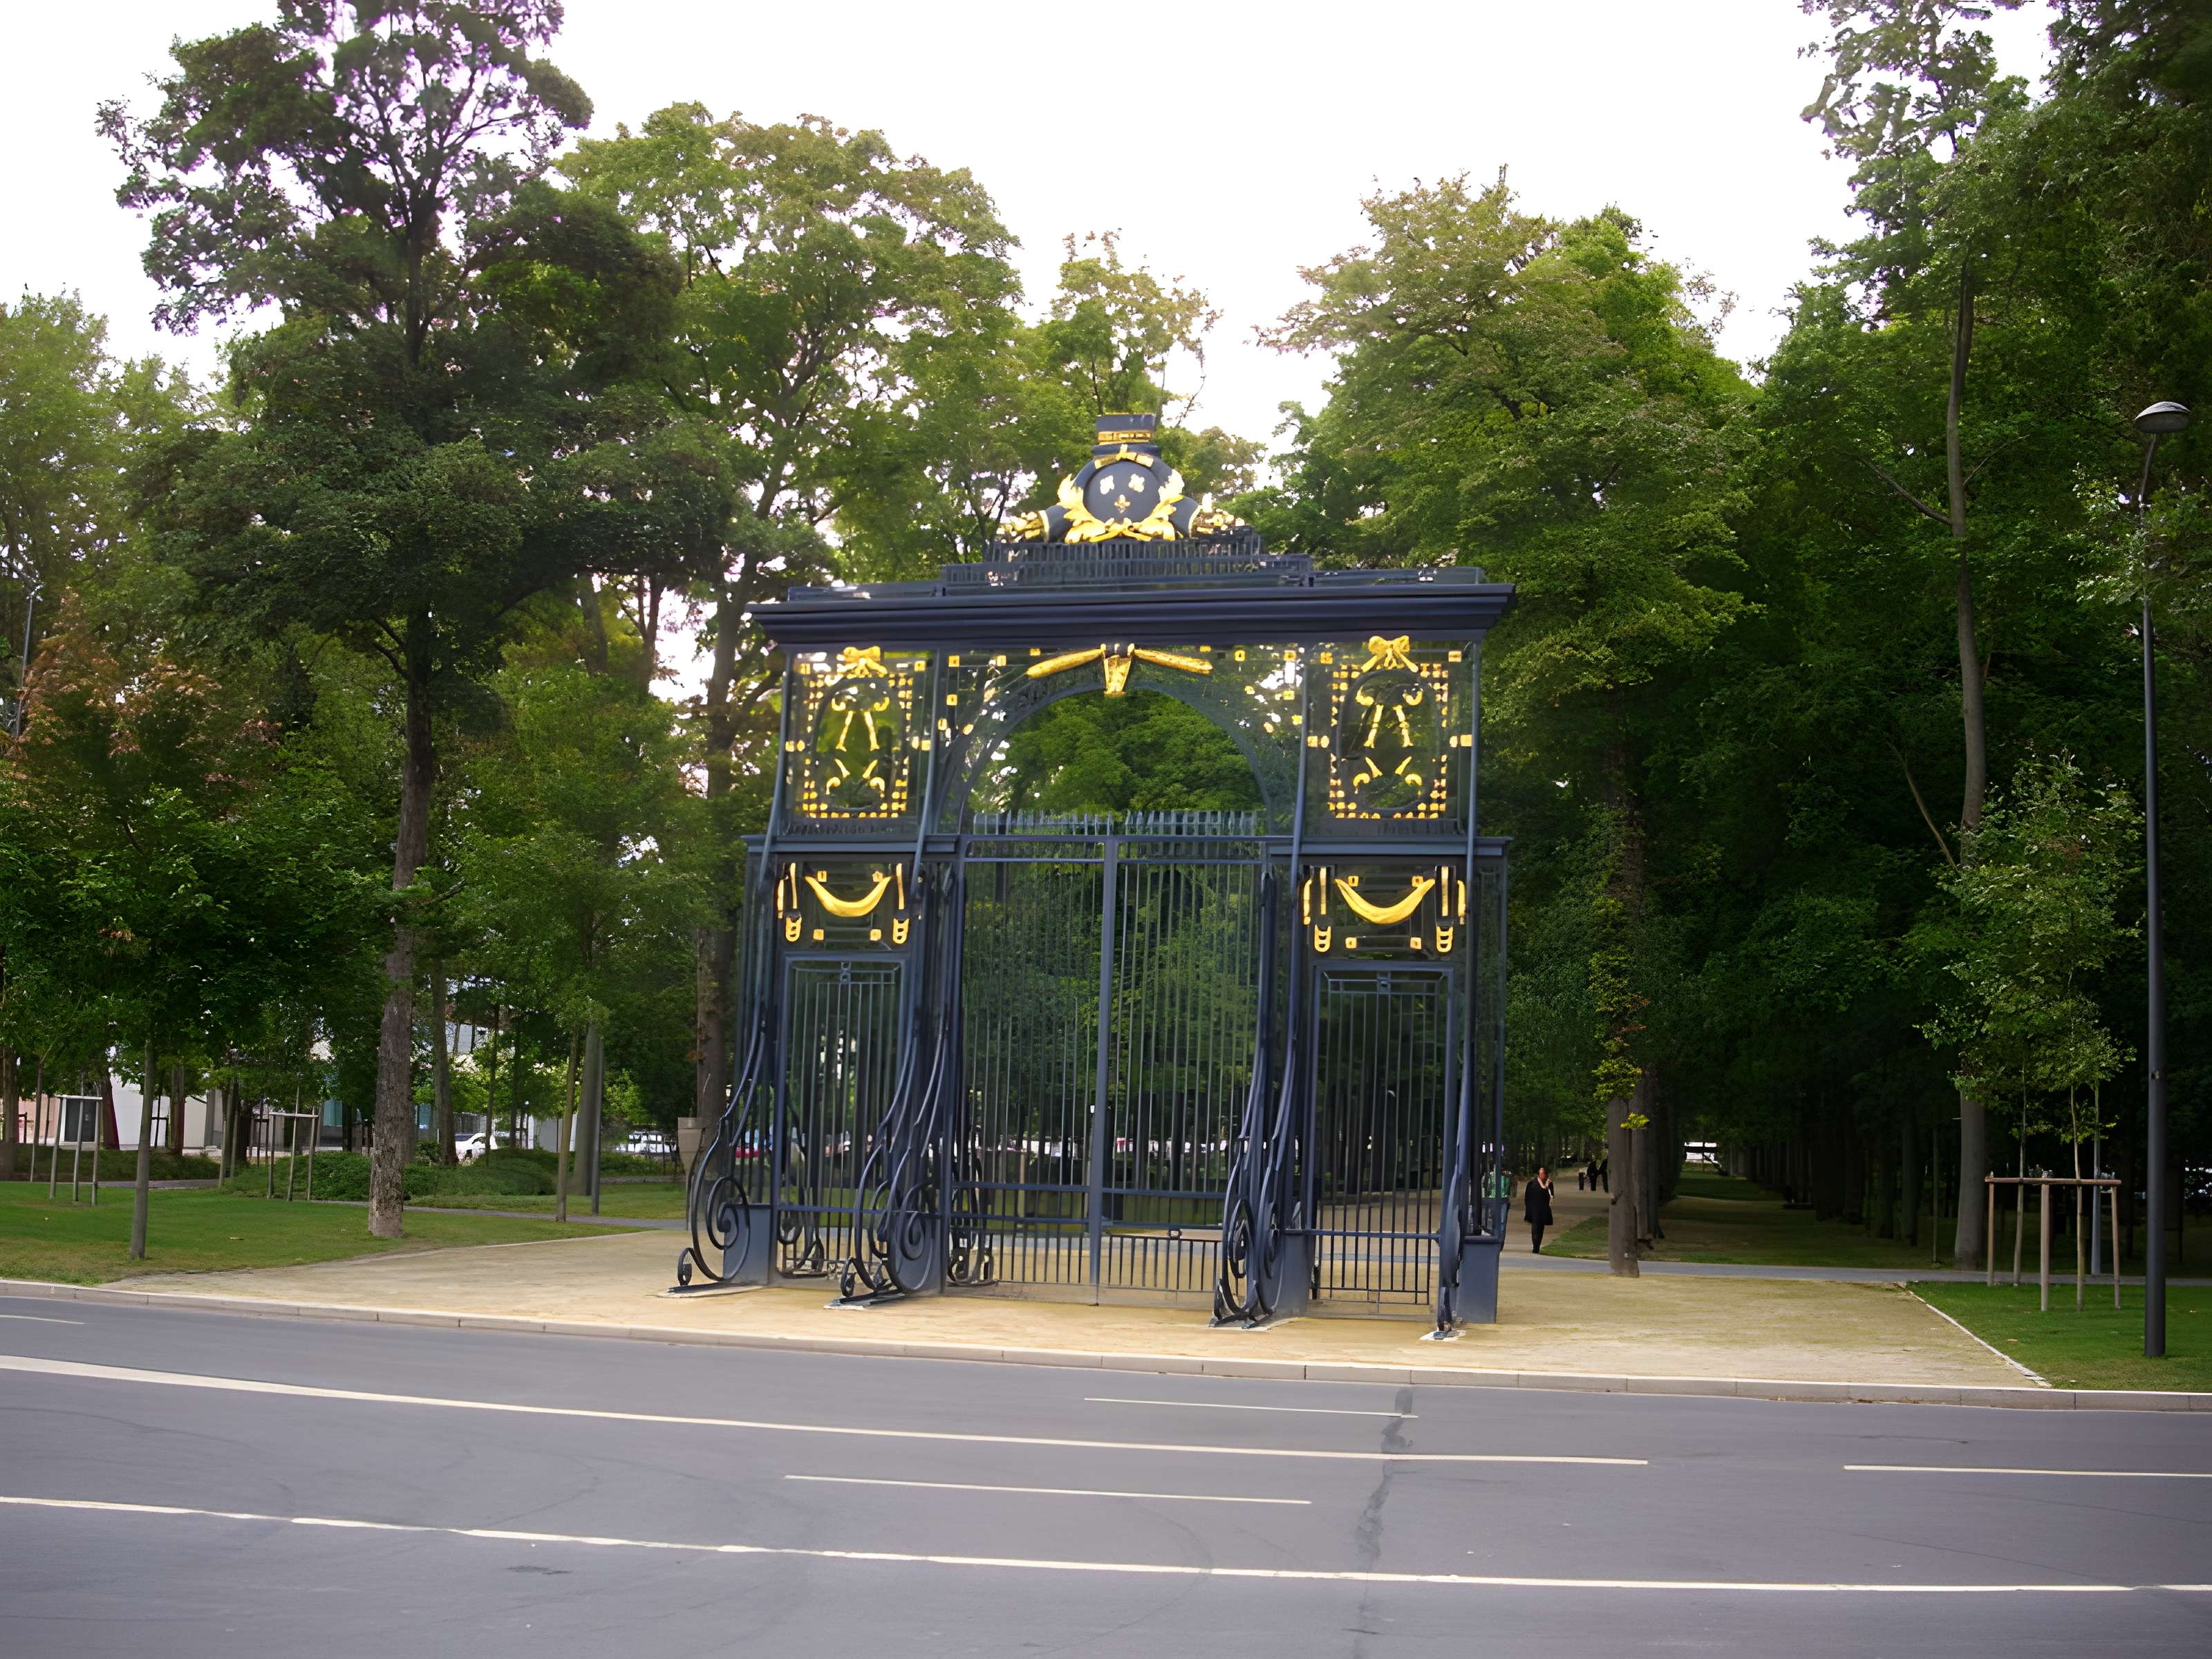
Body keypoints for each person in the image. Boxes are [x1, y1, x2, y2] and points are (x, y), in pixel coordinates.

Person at [1524, 1165, 1555, 1253]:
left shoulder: (1549, 1184)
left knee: (1541, 1228)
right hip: (1534, 1209)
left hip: (1544, 1208)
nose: (1541, 1175)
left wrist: (1548, 1186)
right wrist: (1528, 1208)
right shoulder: (1532, 1184)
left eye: (1543, 1173)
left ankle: (1538, 1245)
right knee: (1535, 1227)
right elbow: (1527, 1197)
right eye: (1540, 1173)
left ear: (1546, 1175)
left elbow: (1552, 1196)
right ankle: (1535, 1246)